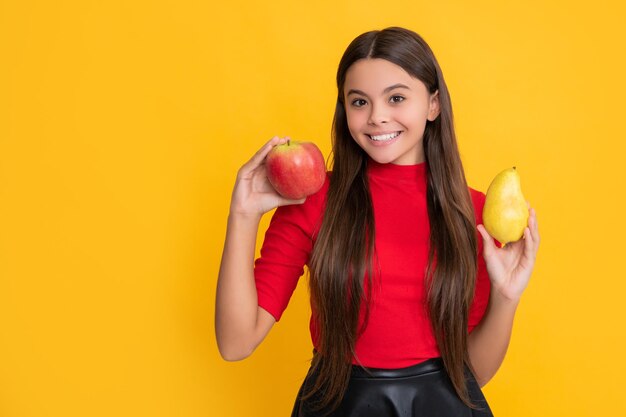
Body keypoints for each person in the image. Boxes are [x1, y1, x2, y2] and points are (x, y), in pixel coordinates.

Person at [215, 26, 540, 417]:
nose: (377, 117)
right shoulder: (313, 201)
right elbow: (235, 343)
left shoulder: (473, 214)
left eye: (397, 98)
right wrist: (243, 215)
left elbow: (472, 375)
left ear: (433, 104)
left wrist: (507, 297)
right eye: (359, 102)